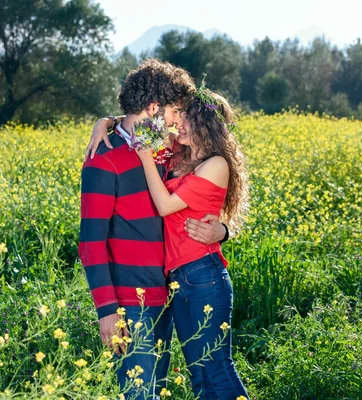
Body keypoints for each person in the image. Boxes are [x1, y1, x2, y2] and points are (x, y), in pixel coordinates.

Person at [78, 59, 228, 399]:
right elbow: (91, 244)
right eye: (176, 111)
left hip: (169, 294)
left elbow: (204, 196)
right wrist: (106, 311)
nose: (179, 120)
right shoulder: (102, 159)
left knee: (156, 390)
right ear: (153, 107)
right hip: (131, 303)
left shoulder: (164, 149)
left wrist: (222, 231)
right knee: (138, 393)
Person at [135, 85, 250, 399]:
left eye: (188, 118)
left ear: (205, 126)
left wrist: (146, 157)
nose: (179, 123)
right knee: (199, 375)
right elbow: (140, 120)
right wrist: (103, 122)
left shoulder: (216, 164)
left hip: (203, 276)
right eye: (181, 116)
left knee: (217, 370)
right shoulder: (181, 155)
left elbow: (165, 206)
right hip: (179, 279)